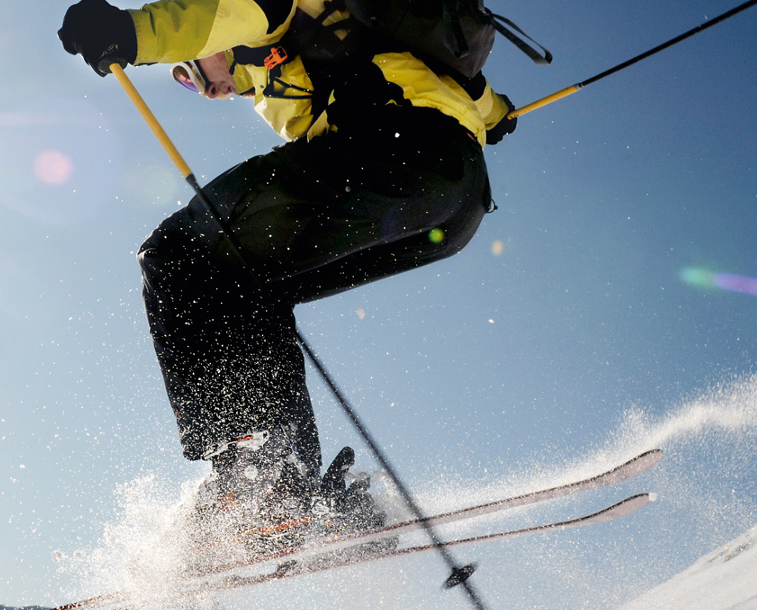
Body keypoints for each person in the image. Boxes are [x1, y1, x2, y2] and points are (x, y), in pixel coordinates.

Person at [58, 0, 518, 550]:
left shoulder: (277, 16)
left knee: (177, 255)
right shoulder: (313, 56)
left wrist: (133, 33)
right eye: (183, 84)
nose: (202, 90)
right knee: (248, 284)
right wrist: (499, 114)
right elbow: (481, 101)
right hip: (453, 202)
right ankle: (292, 483)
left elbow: (225, 13)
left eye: (187, 72)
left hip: (393, 152)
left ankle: (261, 471)